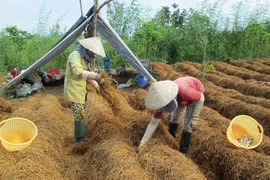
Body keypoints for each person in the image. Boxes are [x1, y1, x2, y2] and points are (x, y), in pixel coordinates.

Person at [138, 76, 205, 155]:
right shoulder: (159, 102)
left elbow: (201, 98)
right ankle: (172, 137)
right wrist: (142, 143)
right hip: (181, 97)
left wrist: (194, 117)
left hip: (195, 93)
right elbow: (153, 123)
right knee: (175, 118)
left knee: (188, 124)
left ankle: (183, 151)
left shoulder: (184, 92)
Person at [64, 36, 106, 143]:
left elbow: (89, 74)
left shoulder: (87, 59)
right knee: (79, 114)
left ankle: (82, 133)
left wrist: (97, 85)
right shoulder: (75, 56)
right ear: (87, 49)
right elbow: (78, 71)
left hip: (82, 90)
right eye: (93, 52)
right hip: (74, 89)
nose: (93, 55)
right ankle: (80, 140)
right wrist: (95, 76)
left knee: (82, 113)